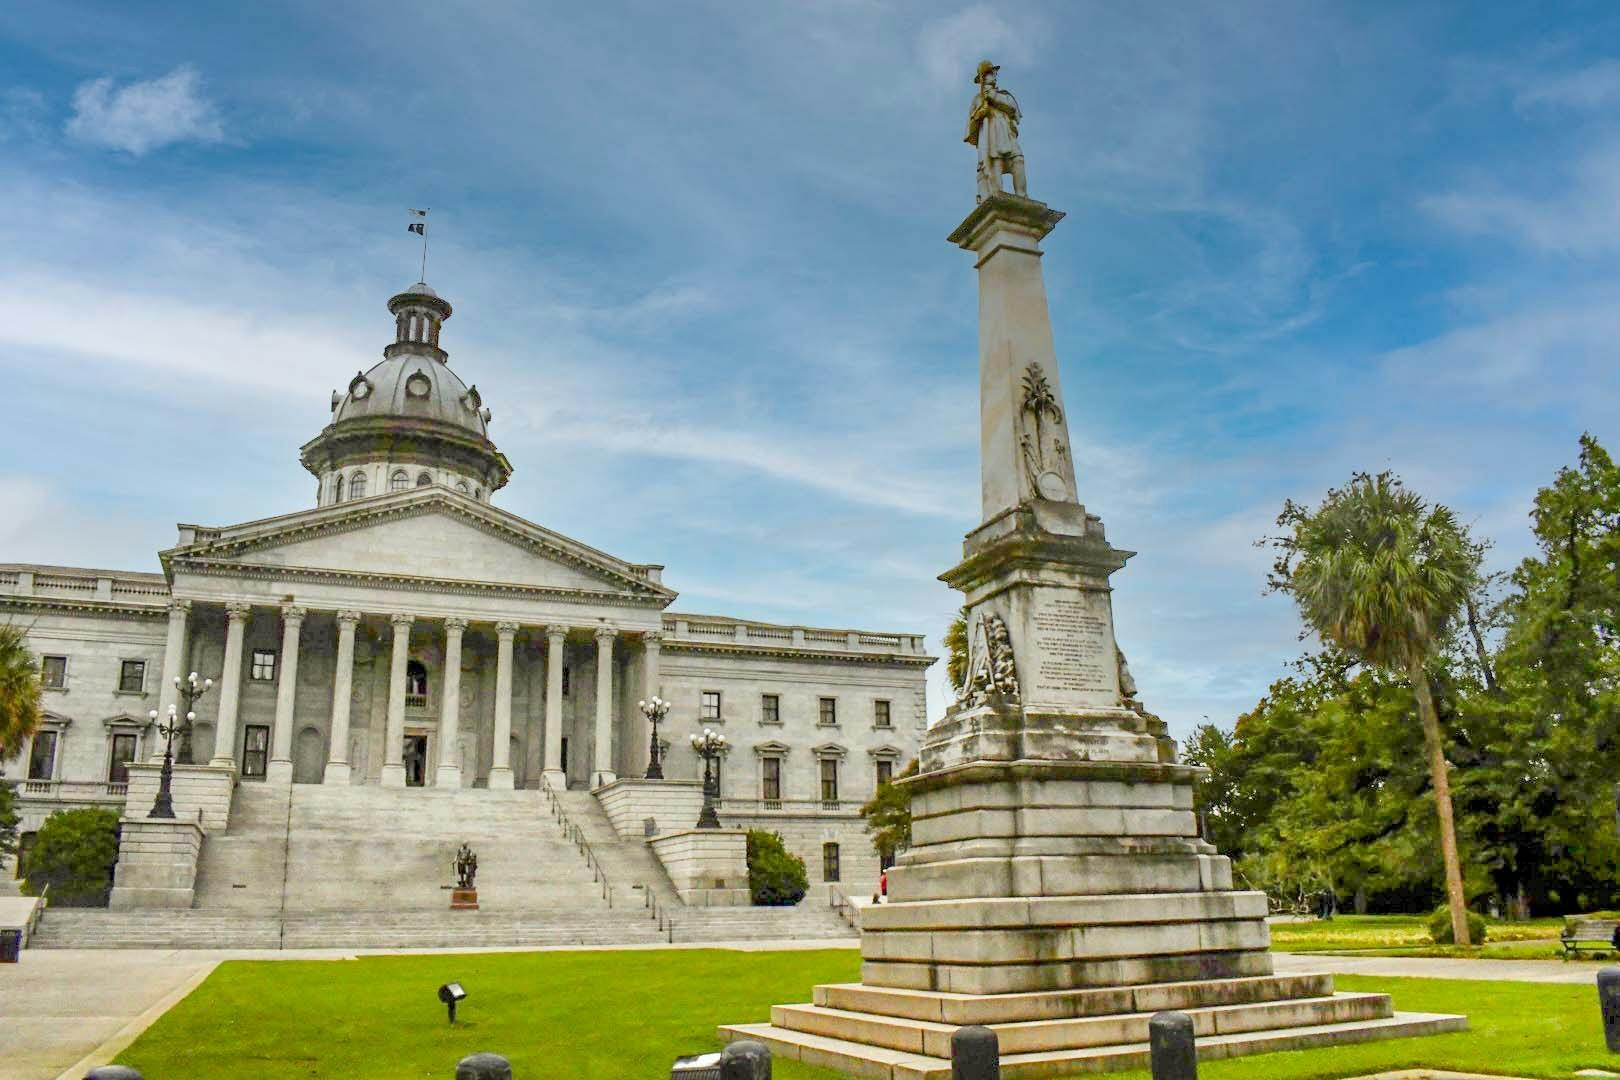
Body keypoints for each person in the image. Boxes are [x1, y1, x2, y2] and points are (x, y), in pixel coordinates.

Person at [965, 60, 1027, 202]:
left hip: (1006, 132)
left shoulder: (1003, 94)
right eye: (991, 73)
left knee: (1018, 160)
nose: (995, 76)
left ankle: (1022, 196)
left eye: (994, 73)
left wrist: (993, 97)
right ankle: (996, 195)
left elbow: (1012, 108)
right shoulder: (978, 99)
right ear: (983, 77)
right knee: (994, 163)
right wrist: (980, 113)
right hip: (991, 135)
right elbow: (971, 125)